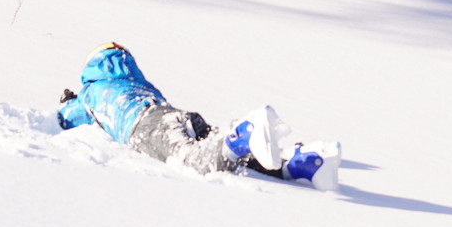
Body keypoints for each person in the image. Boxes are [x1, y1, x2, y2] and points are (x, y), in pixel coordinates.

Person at [56, 42, 339, 190]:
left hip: (143, 125)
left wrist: (69, 102)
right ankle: (300, 164)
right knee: (237, 157)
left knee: (194, 161)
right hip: (173, 115)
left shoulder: (93, 90)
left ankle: (247, 130)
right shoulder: (138, 82)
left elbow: (68, 117)